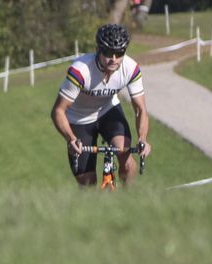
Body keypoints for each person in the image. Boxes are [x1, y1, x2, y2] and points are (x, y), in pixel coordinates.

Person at [51, 23, 150, 186]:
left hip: (108, 112)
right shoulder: (81, 71)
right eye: (108, 52)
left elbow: (140, 109)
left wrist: (143, 139)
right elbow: (58, 111)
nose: (114, 58)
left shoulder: (130, 68)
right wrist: (71, 139)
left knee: (125, 158)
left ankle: (130, 203)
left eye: (119, 53)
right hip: (78, 120)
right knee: (87, 185)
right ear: (98, 49)